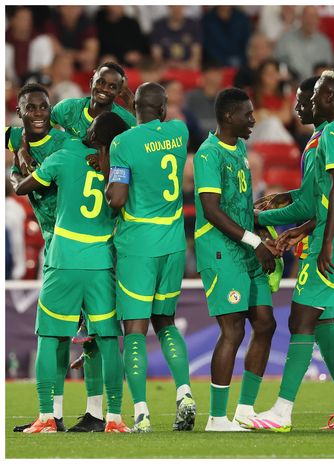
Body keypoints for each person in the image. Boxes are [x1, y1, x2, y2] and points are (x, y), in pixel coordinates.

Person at [251, 69, 334, 432]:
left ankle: (282, 411)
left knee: (303, 320)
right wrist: (303, 226)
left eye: (310, 96)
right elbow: (328, 195)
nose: (305, 103)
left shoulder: (332, 133)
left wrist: (323, 240)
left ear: (327, 97)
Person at [11, 111, 131, 433]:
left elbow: (23, 187)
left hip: (64, 258)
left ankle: (47, 416)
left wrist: (18, 164)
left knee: (50, 336)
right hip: (101, 261)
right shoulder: (120, 165)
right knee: (108, 340)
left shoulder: (64, 155)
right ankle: (114, 418)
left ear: (90, 133)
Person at [104, 82, 195, 431]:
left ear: (134, 108)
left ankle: (141, 413)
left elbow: (117, 199)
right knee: (165, 321)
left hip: (138, 247)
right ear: (164, 108)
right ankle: (185, 393)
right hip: (173, 243)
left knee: (135, 329)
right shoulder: (179, 132)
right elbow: (153, 126)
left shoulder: (122, 143)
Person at [188, 88, 278, 432]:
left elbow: (238, 205)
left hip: (246, 246)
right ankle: (216, 418)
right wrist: (255, 241)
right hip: (220, 251)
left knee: (265, 323)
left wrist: (262, 229)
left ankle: (244, 410)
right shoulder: (208, 154)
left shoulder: (239, 147)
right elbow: (211, 210)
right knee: (233, 329)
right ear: (228, 116)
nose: (253, 120)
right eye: (248, 114)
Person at [7, 84, 75, 433]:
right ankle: (56, 415)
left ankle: (100, 415)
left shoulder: (65, 144)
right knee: (61, 335)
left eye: (43, 107)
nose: (37, 113)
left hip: (73, 245)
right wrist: (18, 153)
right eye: (30, 108)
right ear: (19, 112)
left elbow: (37, 183)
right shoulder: (15, 135)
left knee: (72, 335)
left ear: (51, 109)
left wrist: (18, 169)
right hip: (55, 246)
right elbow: (10, 147)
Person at [49, 62, 136, 140]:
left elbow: (141, 140)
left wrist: (129, 96)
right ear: (91, 83)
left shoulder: (126, 120)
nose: (104, 89)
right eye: (101, 82)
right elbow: (43, 128)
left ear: (119, 92)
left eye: (112, 87)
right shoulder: (67, 107)